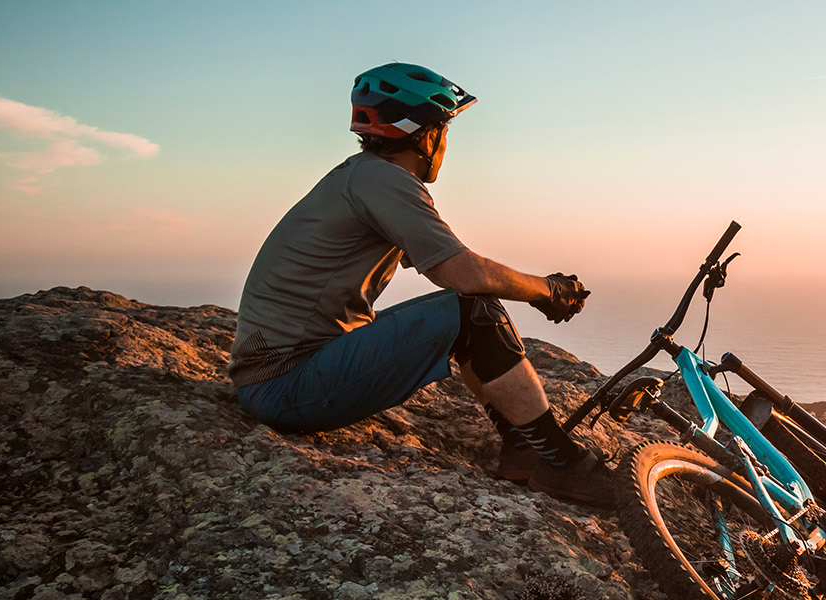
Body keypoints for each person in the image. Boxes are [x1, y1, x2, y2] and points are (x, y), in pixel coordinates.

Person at [227, 63, 612, 507]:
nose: (445, 143)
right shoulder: (383, 181)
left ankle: (524, 449)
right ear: (426, 135)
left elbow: (451, 266)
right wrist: (549, 290)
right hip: (288, 387)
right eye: (444, 129)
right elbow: (464, 274)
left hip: (280, 379)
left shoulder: (364, 177)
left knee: (463, 310)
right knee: (472, 309)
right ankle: (560, 463)